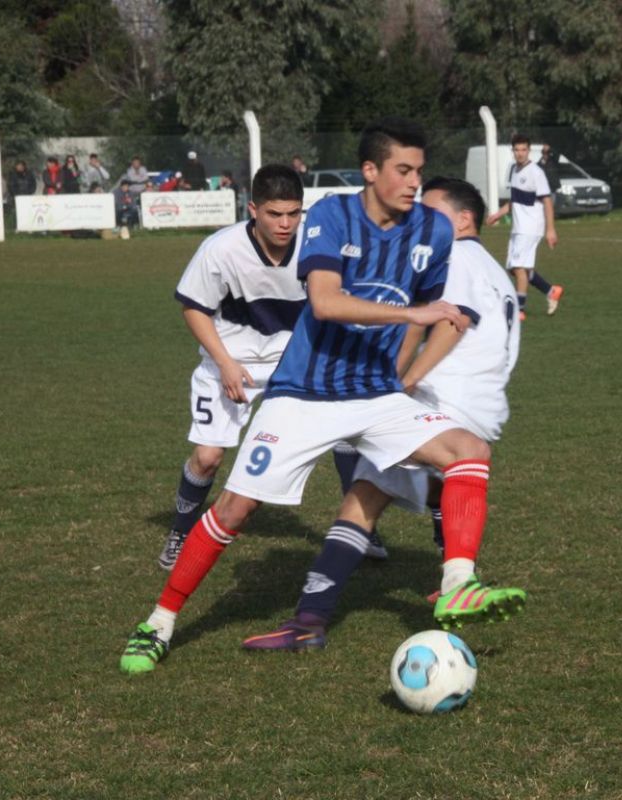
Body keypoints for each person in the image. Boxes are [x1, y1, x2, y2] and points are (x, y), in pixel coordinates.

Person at [119, 118, 527, 674]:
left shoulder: (431, 229)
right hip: (304, 393)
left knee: (470, 451)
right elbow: (328, 303)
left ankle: (458, 581)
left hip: (375, 391)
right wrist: (414, 313)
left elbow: (424, 309)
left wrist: (398, 374)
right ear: (370, 171)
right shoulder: (332, 216)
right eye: (402, 171)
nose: (413, 182)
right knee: (235, 508)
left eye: (419, 171)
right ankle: (158, 623)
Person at [242, 175, 522, 651]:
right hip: (483, 402)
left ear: (462, 219)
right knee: (397, 490)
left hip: (444, 399)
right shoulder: (492, 267)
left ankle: (311, 619)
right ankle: (454, 581)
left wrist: (403, 382)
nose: (418, 221)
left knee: (366, 495)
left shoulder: (455, 256)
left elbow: (451, 325)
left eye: (431, 212)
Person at [157, 164, 308, 570]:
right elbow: (193, 307)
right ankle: (181, 531)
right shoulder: (221, 249)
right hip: (228, 362)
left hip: (288, 366)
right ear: (253, 209)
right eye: (275, 214)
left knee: (348, 434)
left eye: (294, 213)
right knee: (207, 458)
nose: (285, 224)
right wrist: (224, 362)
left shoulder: (312, 248)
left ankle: (361, 534)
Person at [485, 133, 564, 318]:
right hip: (518, 228)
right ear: (512, 151)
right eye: (517, 150)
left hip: (530, 228)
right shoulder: (514, 170)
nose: (520, 153)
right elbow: (515, 201)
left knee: (519, 268)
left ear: (528, 151)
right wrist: (498, 214)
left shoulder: (536, 173)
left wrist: (550, 229)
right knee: (515, 269)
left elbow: (547, 201)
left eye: (523, 150)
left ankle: (519, 311)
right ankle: (551, 291)